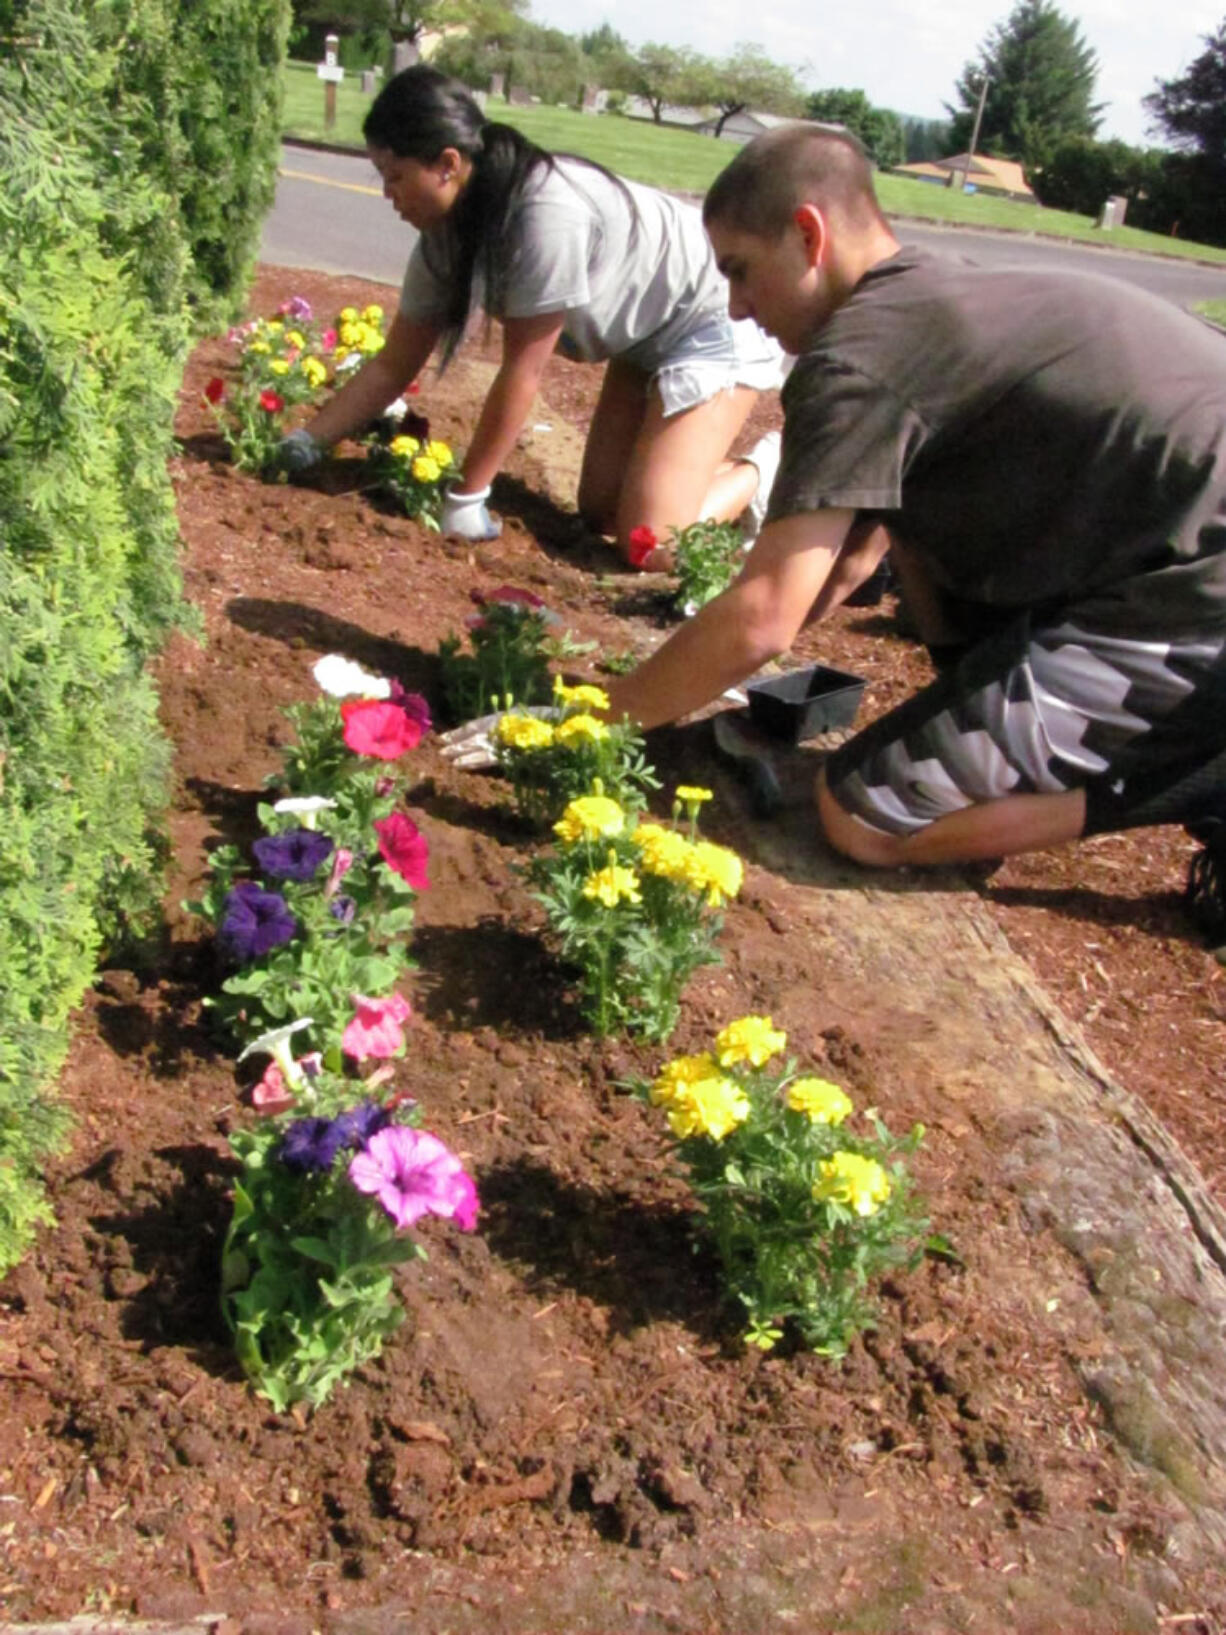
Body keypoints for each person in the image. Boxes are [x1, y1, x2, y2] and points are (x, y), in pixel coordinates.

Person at [542, 123, 1226, 870]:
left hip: (1198, 587)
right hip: (1168, 529)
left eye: (740, 271)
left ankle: (1187, 778)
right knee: (915, 540)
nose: (735, 307)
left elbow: (763, 618)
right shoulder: (918, 291)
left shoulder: (859, 357)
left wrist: (600, 717)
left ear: (809, 234)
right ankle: (1009, 753)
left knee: (864, 816)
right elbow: (847, 563)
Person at [280, 65, 783, 559]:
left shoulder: (543, 214)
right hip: (643, 336)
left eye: (396, 176)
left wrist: (466, 498)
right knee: (601, 512)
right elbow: (394, 363)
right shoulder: (444, 237)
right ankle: (681, 478)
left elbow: (524, 371)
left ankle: (764, 472)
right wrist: (307, 442)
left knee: (647, 543)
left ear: (448, 164)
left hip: (714, 314)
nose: (387, 193)